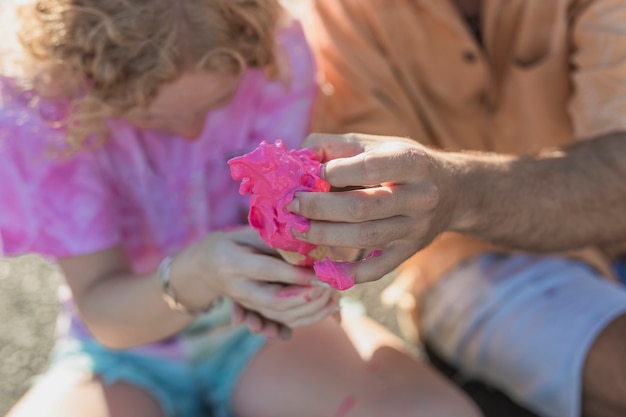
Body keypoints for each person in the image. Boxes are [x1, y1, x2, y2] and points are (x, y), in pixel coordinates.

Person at [0, 1, 482, 417]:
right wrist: (200, 271)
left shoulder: (275, 57)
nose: (191, 131)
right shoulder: (45, 110)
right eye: (152, 117)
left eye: (217, 101)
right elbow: (108, 316)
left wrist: (320, 257)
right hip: (125, 350)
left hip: (263, 327)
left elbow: (303, 224)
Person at [292, 1, 626, 417]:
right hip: (468, 260)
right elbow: (367, 196)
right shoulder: (336, 15)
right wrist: (334, 223)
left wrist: (459, 192)